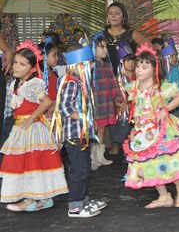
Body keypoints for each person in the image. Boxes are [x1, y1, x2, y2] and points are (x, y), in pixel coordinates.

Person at [123, 43, 179, 209]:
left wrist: (164, 110)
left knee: (164, 160)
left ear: (155, 68)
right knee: (148, 163)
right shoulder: (134, 86)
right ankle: (164, 196)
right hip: (141, 132)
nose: (139, 70)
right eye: (138, 65)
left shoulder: (160, 86)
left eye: (144, 66)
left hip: (160, 130)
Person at [0, 40, 68, 212]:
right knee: (28, 163)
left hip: (32, 129)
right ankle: (44, 199)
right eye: (15, 62)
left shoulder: (33, 84)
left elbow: (47, 102)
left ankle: (30, 199)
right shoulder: (15, 84)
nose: (16, 67)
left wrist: (31, 118)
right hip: (20, 128)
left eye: (22, 64)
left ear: (31, 68)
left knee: (32, 163)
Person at [52, 41, 107, 218]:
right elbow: (65, 108)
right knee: (79, 170)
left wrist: (90, 122)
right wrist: (85, 119)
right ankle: (75, 205)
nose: (92, 65)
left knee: (84, 168)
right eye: (89, 62)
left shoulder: (78, 81)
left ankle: (83, 199)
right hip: (74, 135)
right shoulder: (71, 82)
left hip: (81, 133)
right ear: (80, 63)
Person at [91, 32, 126, 170]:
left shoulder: (107, 64)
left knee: (102, 129)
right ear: (94, 49)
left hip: (105, 103)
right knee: (94, 129)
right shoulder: (90, 66)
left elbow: (113, 85)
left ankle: (99, 156)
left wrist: (119, 99)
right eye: (102, 47)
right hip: (95, 103)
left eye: (105, 47)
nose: (105, 50)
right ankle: (93, 157)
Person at [103, 2, 149, 75]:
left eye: (117, 13)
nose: (113, 16)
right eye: (110, 13)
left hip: (128, 79)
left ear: (123, 17)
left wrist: (138, 61)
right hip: (107, 78)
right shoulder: (101, 35)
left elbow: (151, 50)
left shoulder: (132, 34)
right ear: (107, 17)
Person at [109, 41, 135, 155]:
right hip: (121, 107)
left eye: (133, 60)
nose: (131, 63)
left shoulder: (138, 76)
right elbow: (112, 92)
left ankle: (129, 149)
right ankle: (116, 145)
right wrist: (118, 103)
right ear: (122, 62)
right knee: (120, 124)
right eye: (128, 60)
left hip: (135, 107)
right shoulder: (117, 78)